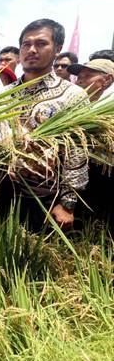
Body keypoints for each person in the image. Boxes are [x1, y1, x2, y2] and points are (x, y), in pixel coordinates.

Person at [6, 19, 88, 231]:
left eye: (41, 43)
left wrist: (68, 203)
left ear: (57, 49)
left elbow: (77, 151)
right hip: (1, 191)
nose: (31, 50)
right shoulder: (4, 95)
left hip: (46, 196)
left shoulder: (72, 95)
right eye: (26, 44)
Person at [68, 58, 114, 232]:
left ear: (107, 80)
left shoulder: (109, 110)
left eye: (87, 76)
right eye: (78, 76)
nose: (79, 80)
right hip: (78, 182)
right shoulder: (73, 108)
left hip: (105, 180)